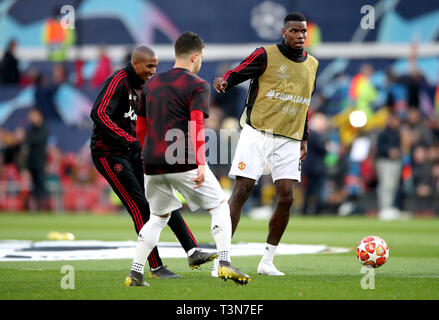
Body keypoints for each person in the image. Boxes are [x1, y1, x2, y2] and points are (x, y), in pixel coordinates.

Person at [125, 32, 250, 287]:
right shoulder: (197, 85)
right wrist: (201, 163)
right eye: (201, 57)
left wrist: (147, 155)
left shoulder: (150, 85)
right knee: (219, 206)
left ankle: (135, 273)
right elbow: (196, 125)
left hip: (151, 163)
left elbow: (140, 129)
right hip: (182, 160)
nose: (201, 62)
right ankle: (224, 262)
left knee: (158, 217)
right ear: (195, 56)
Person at [90, 45, 215, 279]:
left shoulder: (148, 87)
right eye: (149, 66)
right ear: (135, 63)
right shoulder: (118, 80)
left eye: (156, 66)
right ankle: (156, 267)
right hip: (109, 153)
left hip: (136, 152)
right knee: (140, 205)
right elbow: (99, 114)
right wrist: (129, 139)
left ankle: (192, 250)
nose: (153, 70)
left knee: (165, 200)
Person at [213, 12, 318, 276]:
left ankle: (267, 261)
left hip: (290, 140)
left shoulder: (312, 64)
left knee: (286, 197)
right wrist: (224, 80)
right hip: (257, 133)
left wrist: (304, 136)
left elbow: (304, 104)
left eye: (303, 32)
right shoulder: (265, 54)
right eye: (294, 31)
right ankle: (221, 260)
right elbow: (237, 72)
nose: (300, 36)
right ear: (284, 32)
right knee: (242, 191)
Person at [25, 108, 50, 211]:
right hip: (31, 161)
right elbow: (28, 140)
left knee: (41, 184)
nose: (31, 118)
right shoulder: (30, 128)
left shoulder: (44, 127)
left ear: (39, 115)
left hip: (40, 161)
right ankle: (35, 207)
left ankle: (44, 207)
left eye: (33, 115)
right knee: (34, 185)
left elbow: (37, 139)